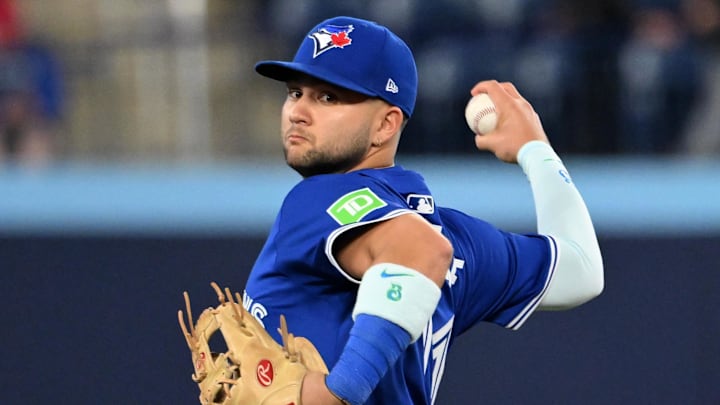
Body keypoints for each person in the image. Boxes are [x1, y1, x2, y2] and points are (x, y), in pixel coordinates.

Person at [243, 16, 604, 405]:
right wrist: (537, 152)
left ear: (386, 125)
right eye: (296, 92)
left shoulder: (319, 199)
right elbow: (580, 270)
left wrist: (341, 391)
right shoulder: (460, 240)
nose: (298, 112)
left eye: (328, 98)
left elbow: (422, 251)